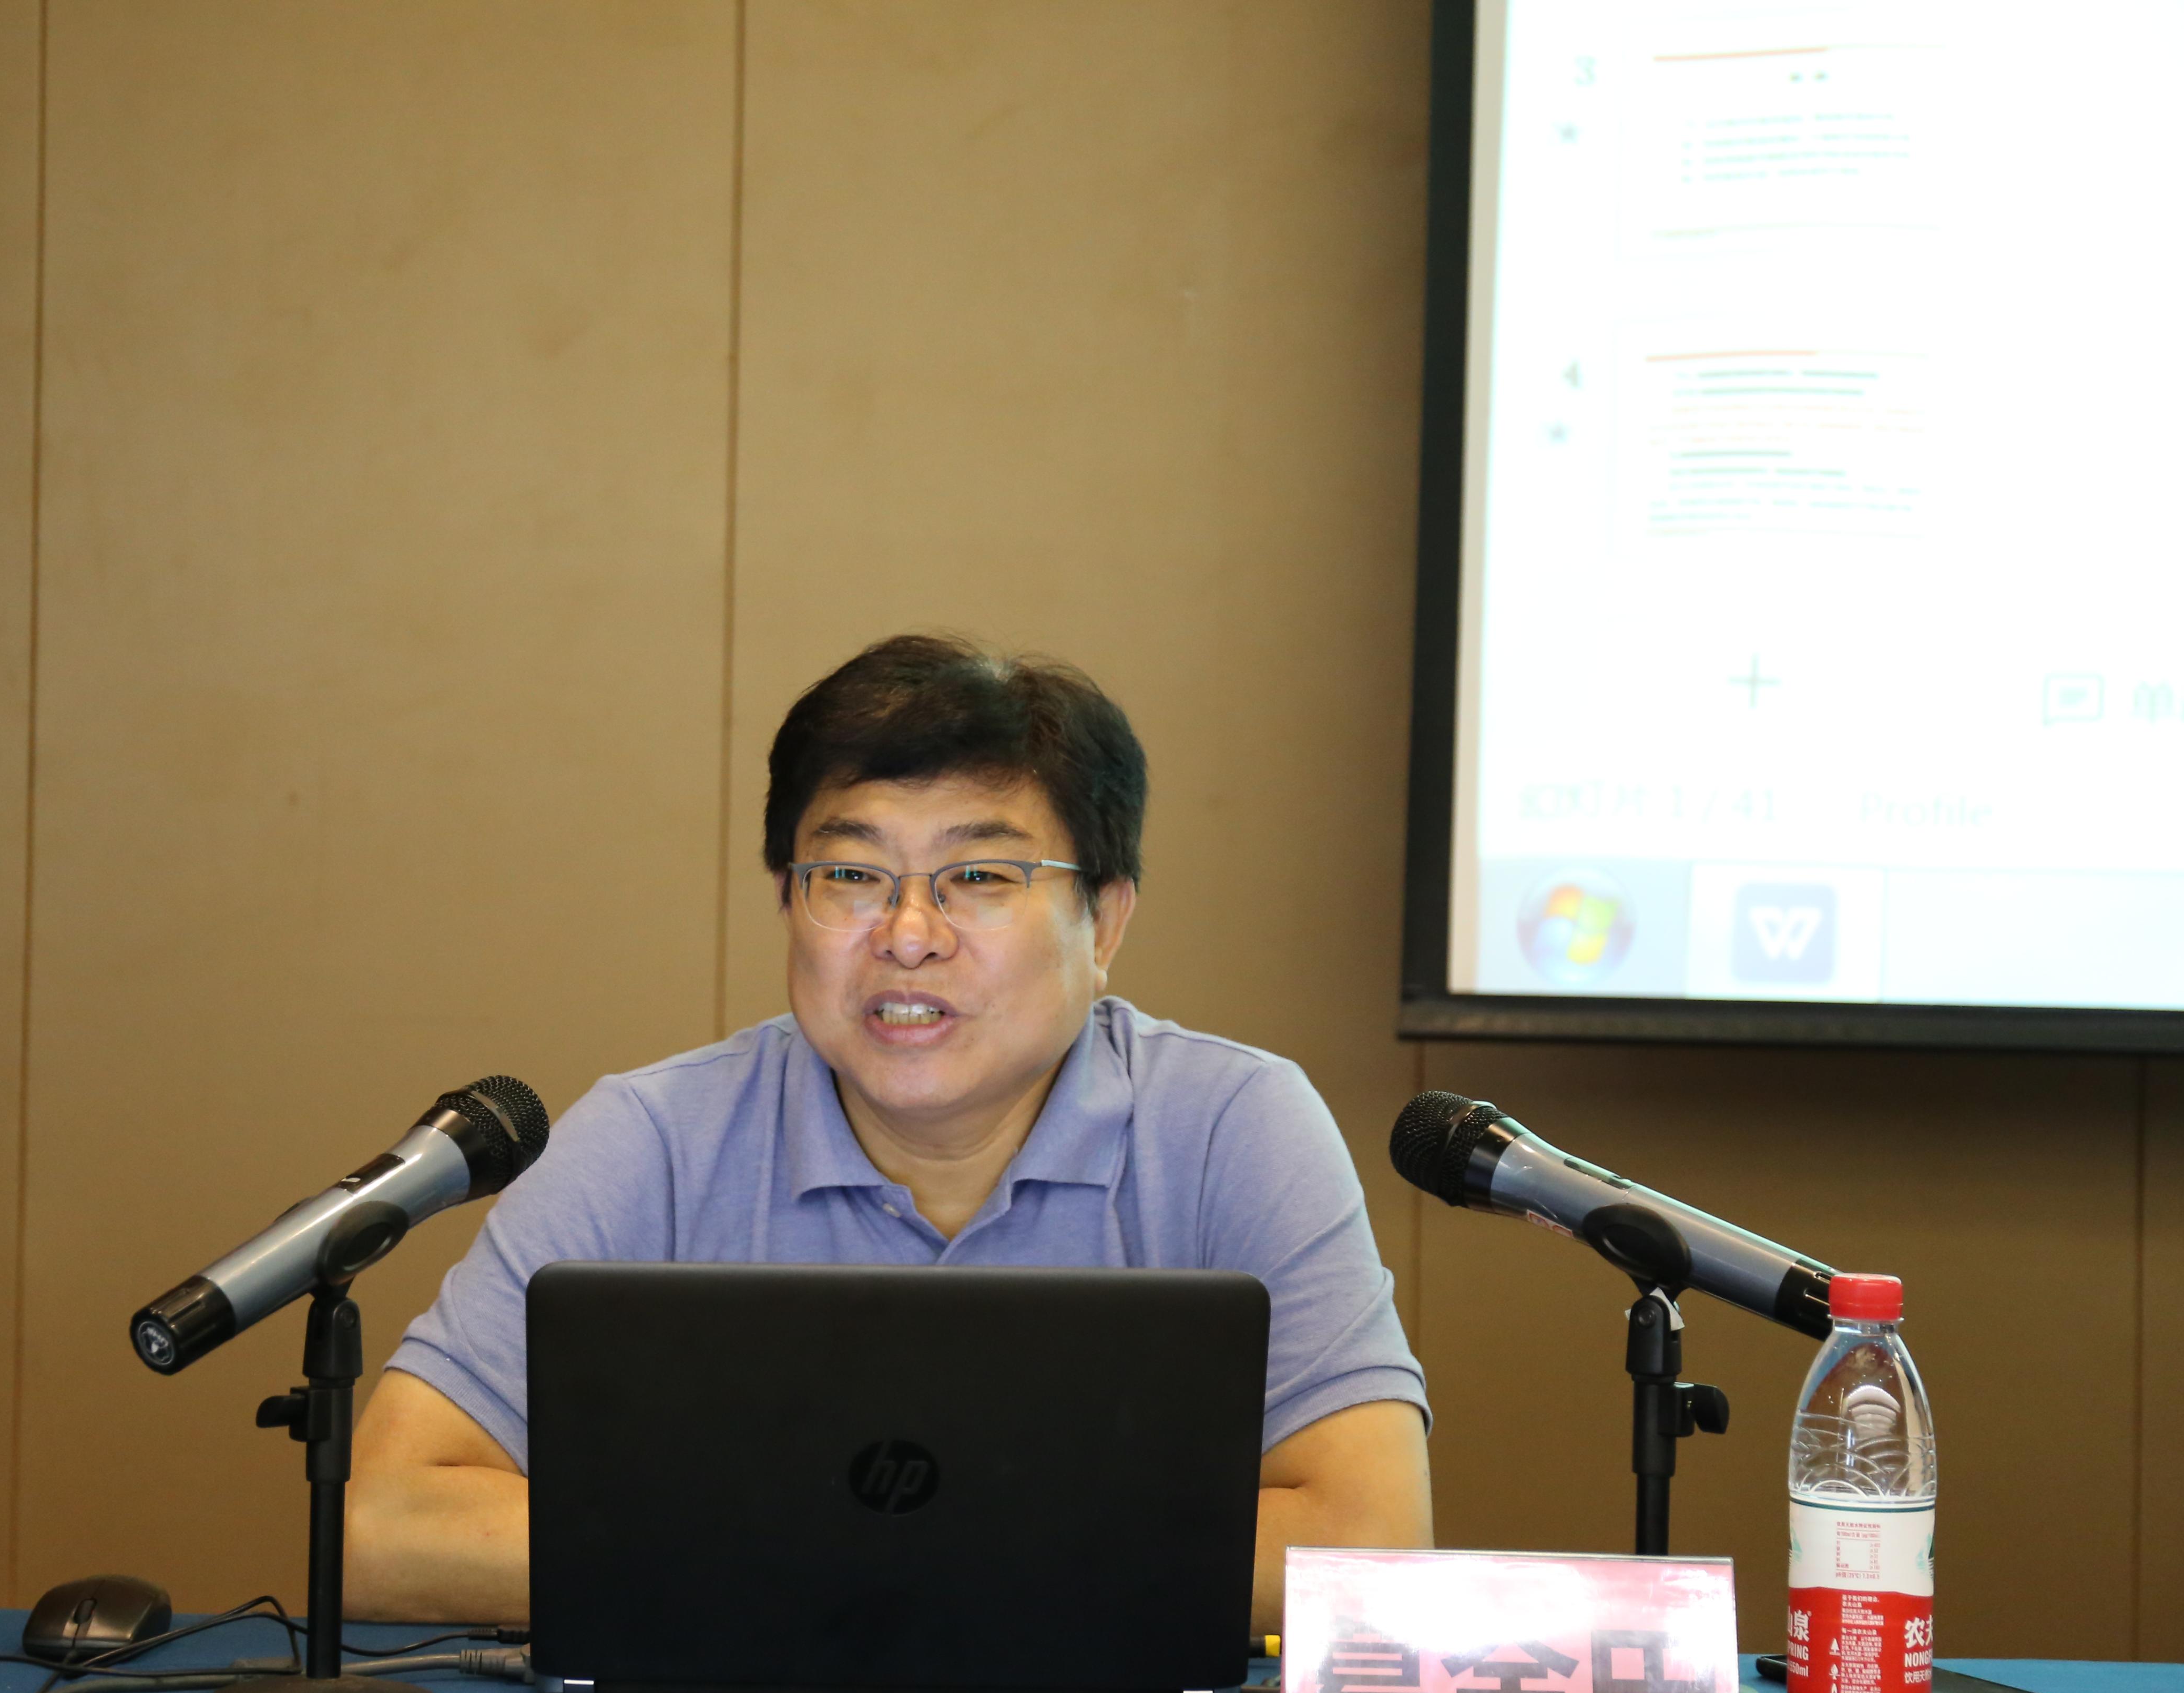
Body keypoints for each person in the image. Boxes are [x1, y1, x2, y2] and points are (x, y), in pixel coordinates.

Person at [346, 635, 1431, 1636]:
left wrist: (797, 1555)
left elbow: (1372, 1545)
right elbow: (381, 1528)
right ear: (788, 901)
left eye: (981, 877)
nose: (909, 936)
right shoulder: (656, 1138)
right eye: (852, 877)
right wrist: (904, 1557)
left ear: (1104, 921)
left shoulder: (1231, 1126)